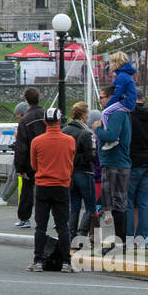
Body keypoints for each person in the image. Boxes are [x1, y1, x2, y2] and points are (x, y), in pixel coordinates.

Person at [28, 108, 77, 273]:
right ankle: (66, 262)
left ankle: (38, 261)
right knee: (63, 226)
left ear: (44, 122)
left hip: (43, 186)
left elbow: (34, 165)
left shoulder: (37, 141)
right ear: (60, 120)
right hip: (62, 186)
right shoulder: (69, 140)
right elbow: (71, 162)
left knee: (40, 226)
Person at [91, 83, 132, 250]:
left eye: (102, 97)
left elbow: (112, 135)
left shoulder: (115, 114)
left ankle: (120, 241)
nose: (99, 101)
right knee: (117, 203)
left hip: (115, 162)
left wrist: (97, 129)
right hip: (116, 161)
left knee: (117, 203)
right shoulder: (120, 114)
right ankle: (120, 240)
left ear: (111, 98)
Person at [126, 91, 148, 244]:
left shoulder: (129, 117)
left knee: (128, 201)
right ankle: (144, 237)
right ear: (144, 99)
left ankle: (128, 235)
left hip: (133, 162)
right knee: (145, 202)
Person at [12, 88, 46, 228]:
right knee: (48, 190)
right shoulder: (46, 115)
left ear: (26, 100)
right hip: (47, 159)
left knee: (27, 190)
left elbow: (21, 147)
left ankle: (25, 218)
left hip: (30, 161)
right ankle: (50, 219)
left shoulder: (25, 120)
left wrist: (19, 166)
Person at [62, 102, 95, 240]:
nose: (88, 116)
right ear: (83, 115)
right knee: (90, 206)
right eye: (87, 113)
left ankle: (71, 234)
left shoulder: (64, 131)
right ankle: (82, 233)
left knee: (74, 205)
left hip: (70, 174)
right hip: (84, 173)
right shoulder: (85, 133)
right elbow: (89, 157)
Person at [0, 101, 29, 207]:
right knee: (11, 175)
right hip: (19, 153)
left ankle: (4, 197)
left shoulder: (24, 123)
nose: (17, 117)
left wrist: (17, 138)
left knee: (14, 176)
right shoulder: (24, 123)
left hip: (22, 154)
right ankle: (2, 197)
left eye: (17, 115)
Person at [98, 51, 137, 149]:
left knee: (105, 113)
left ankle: (111, 138)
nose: (109, 65)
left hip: (126, 102)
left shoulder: (122, 76)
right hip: (129, 102)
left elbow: (116, 94)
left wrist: (107, 106)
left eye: (111, 62)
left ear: (117, 63)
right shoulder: (125, 75)